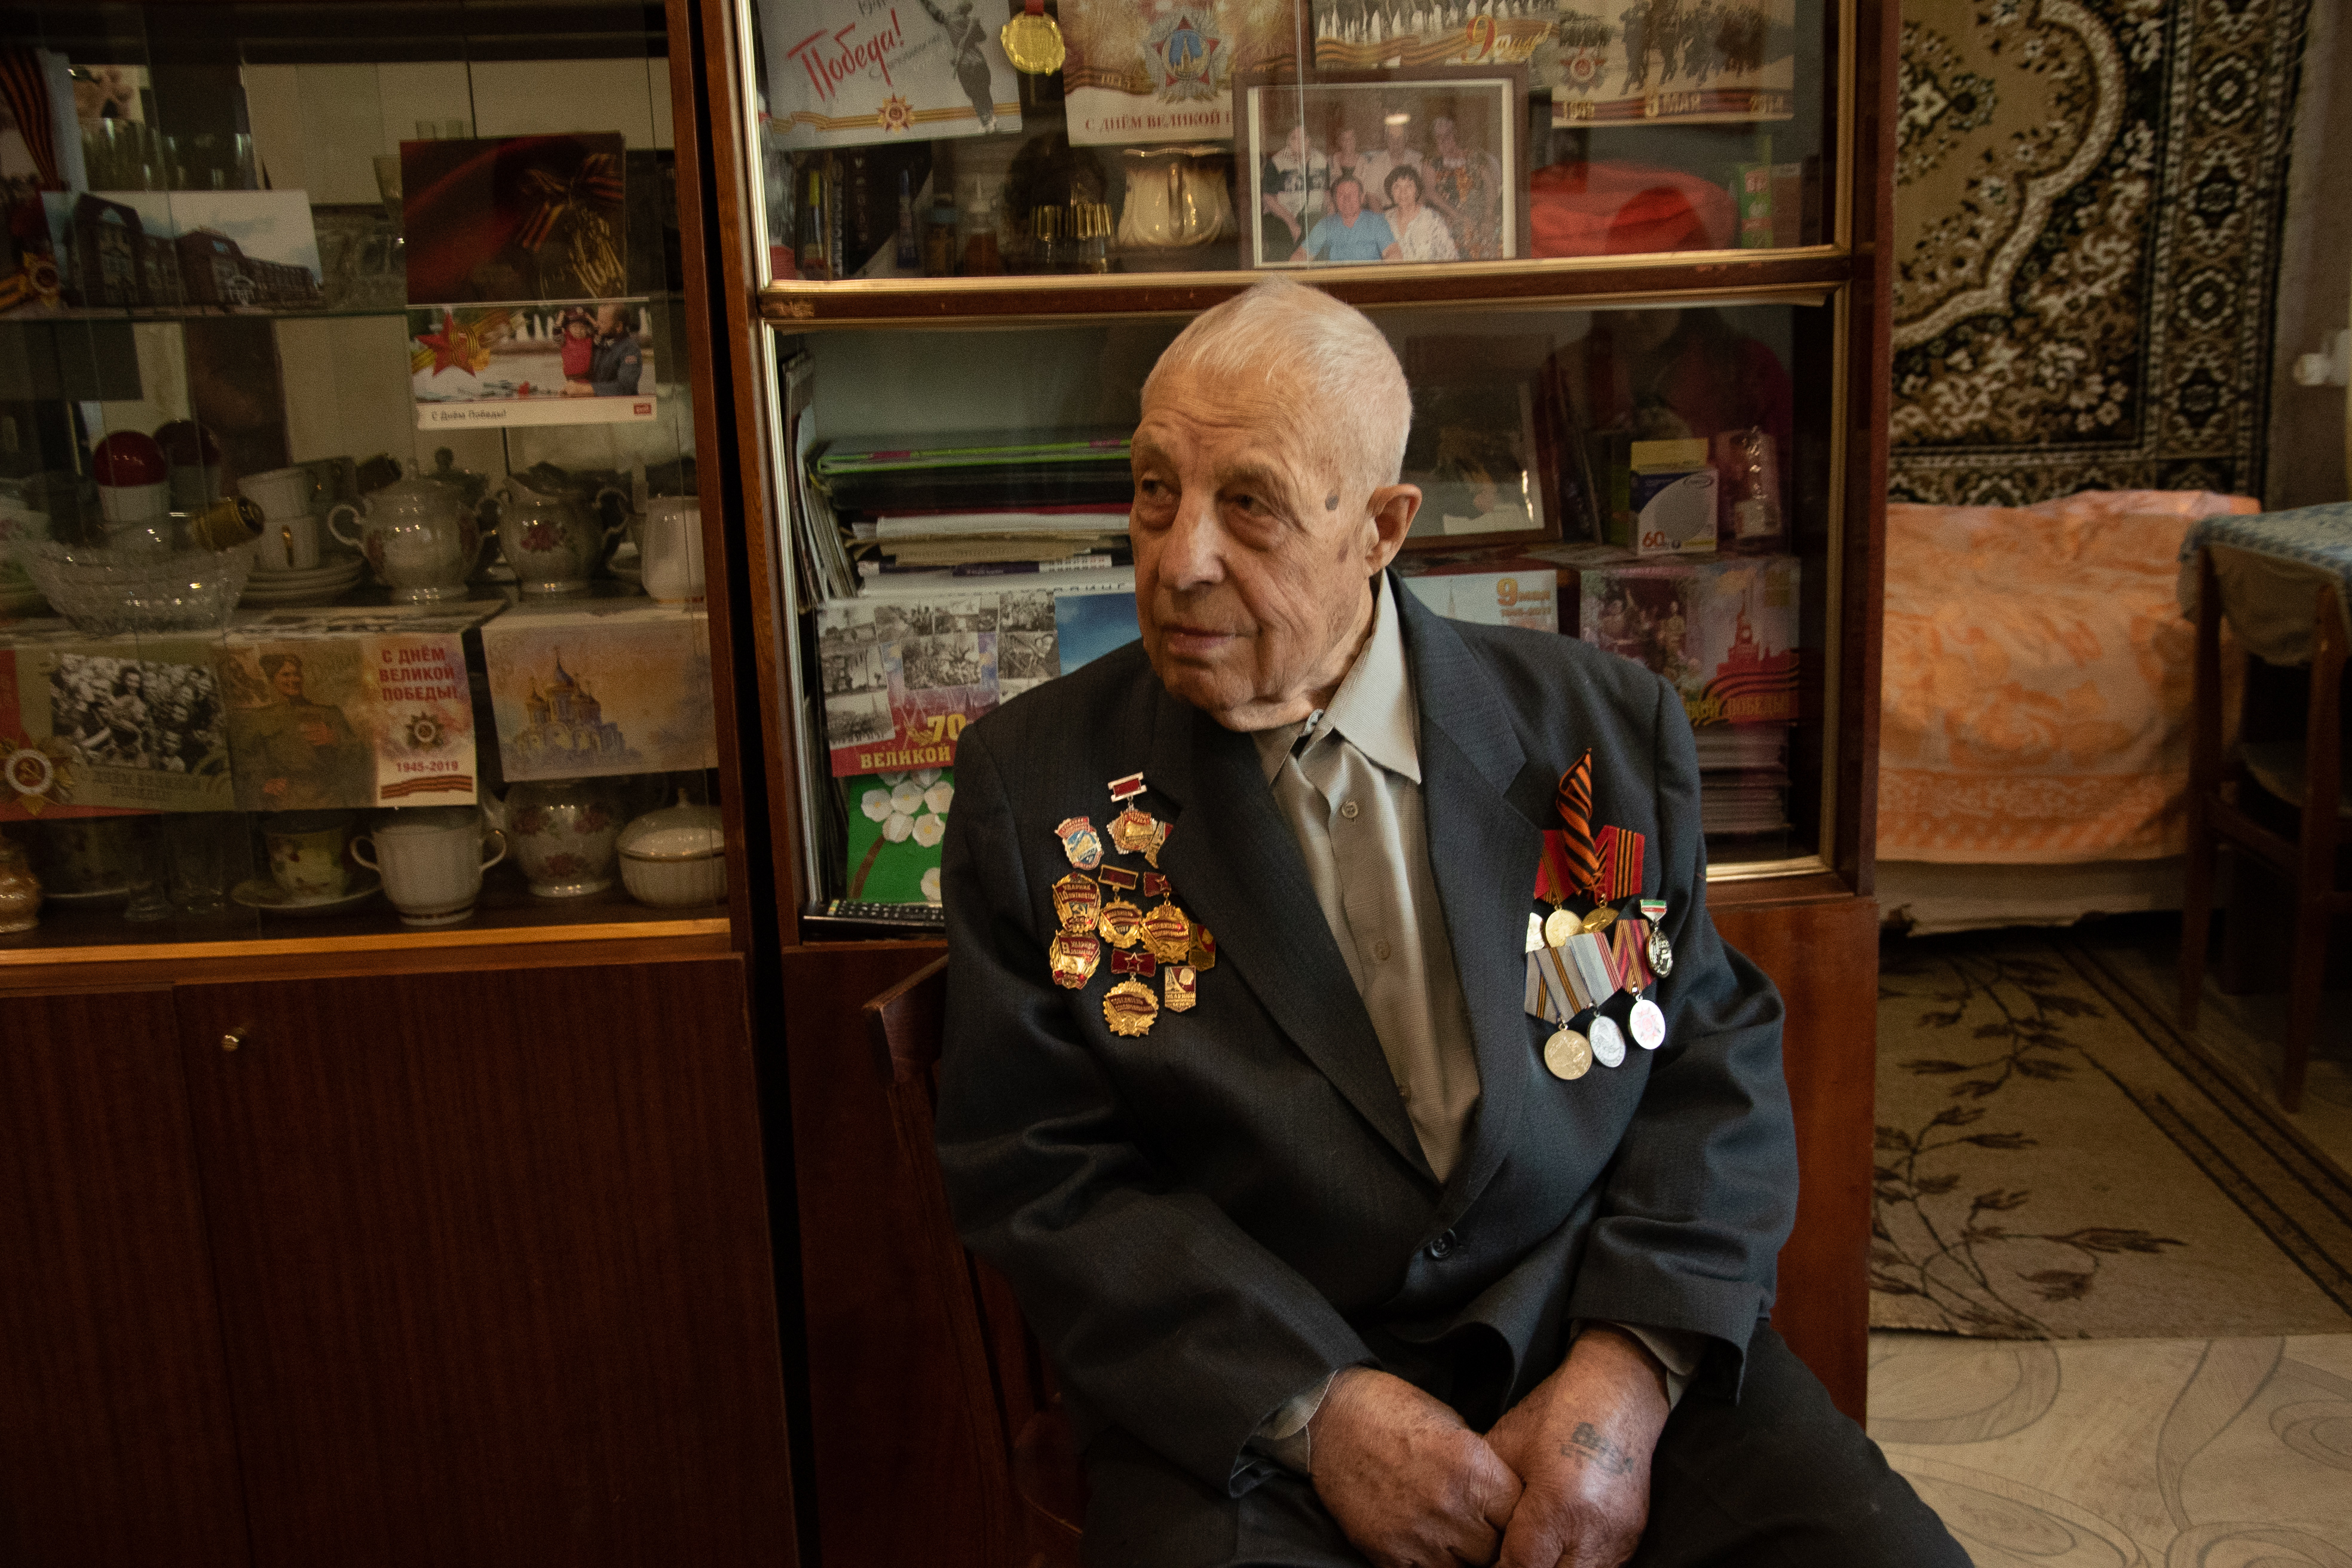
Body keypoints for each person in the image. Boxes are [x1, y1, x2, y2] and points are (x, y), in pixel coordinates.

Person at [935, 277, 1966, 1565]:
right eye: (1154, 490)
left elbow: (1698, 1053)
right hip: (1256, 1382)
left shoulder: (1596, 734)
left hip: (1586, 1317)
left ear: (1382, 527)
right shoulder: (1038, 785)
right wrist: (1320, 1409)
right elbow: (1041, 1164)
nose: (1180, 556)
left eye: (1248, 501)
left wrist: (1626, 1375)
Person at [233, 653, 368, 810]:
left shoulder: (329, 713)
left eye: (297, 674)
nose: (293, 680)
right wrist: (263, 783)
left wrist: (335, 740)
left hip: (328, 797)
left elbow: (360, 756)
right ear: (272, 679)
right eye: (286, 675)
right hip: (286, 800)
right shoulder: (260, 718)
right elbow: (245, 761)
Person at [1425, 112, 1503, 260]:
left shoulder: (1473, 156)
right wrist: (1458, 216)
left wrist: (1489, 215)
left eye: (1448, 134)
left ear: (1456, 133)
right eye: (1439, 136)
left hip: (1479, 215)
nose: (1444, 139)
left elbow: (1491, 185)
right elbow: (1430, 193)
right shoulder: (1431, 162)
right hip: (1447, 218)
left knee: (1494, 239)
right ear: (1434, 140)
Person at [916, 0, 999, 131]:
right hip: (979, 62)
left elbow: (936, 13)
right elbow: (983, 37)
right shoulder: (970, 21)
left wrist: (925, 2)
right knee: (984, 92)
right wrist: (974, 27)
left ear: (960, 8)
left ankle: (986, 123)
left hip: (964, 64)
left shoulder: (950, 19)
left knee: (975, 95)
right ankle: (991, 118)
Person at [1260, 122, 1330, 265]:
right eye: (1294, 138)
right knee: (1284, 253)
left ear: (1309, 140)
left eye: (1303, 137)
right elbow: (1268, 197)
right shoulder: (1277, 162)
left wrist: (1330, 215)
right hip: (1281, 216)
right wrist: (1291, 222)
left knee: (1321, 251)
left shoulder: (1322, 160)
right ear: (1288, 142)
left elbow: (1327, 193)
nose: (1299, 142)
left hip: (1313, 215)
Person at [1294, 176, 1395, 265]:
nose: (1347, 199)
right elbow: (1303, 253)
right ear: (1335, 199)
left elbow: (1392, 252)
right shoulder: (1326, 224)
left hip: (1369, 278)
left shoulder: (1376, 222)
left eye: (1352, 194)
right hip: (1338, 278)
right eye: (1341, 195)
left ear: (1362, 198)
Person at [1380, 164, 1456, 262]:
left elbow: (1451, 256)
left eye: (1409, 186)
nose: (1403, 192)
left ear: (1416, 191)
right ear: (1391, 192)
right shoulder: (1384, 220)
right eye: (1397, 187)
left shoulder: (1432, 219)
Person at [1354, 114, 1423, 215]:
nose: (1396, 143)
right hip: (1386, 213)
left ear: (1406, 139)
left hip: (1413, 211)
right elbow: (1371, 196)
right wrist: (1383, 221)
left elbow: (1424, 192)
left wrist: (1416, 215)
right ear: (1386, 140)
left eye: (1400, 138)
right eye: (1392, 138)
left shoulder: (1418, 160)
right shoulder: (1376, 163)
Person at [587, 303, 642, 397]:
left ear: (618, 326)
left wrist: (586, 389)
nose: (597, 325)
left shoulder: (630, 349)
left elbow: (625, 388)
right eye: (598, 320)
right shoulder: (599, 344)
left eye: (603, 322)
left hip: (621, 404)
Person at [558, 305, 596, 396]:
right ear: (568, 328)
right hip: (571, 380)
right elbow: (556, 333)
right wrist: (560, 319)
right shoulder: (565, 339)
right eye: (575, 327)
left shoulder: (590, 339)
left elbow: (598, 330)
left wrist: (591, 319)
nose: (579, 330)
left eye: (582, 327)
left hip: (587, 380)